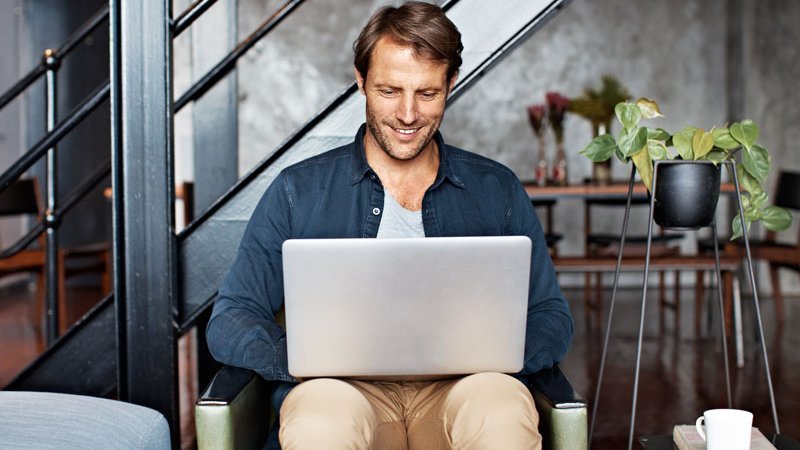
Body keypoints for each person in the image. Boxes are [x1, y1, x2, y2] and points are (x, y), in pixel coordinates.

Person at [206, 2, 573, 449]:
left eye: (427, 93)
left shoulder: (498, 190)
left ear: (451, 84)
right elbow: (231, 318)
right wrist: (303, 360)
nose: (407, 114)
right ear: (361, 80)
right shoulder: (296, 192)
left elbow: (551, 317)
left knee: (502, 410)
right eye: (389, 90)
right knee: (318, 419)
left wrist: (499, 354)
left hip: (464, 389)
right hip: (343, 392)